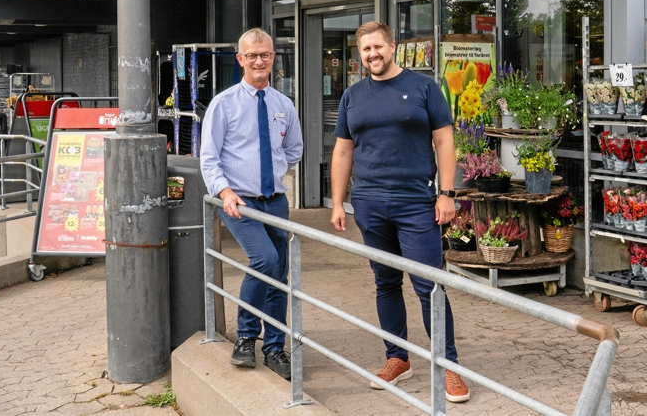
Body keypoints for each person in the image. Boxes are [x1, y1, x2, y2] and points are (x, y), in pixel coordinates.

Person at [330, 21, 470, 403]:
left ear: (392, 47)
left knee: (430, 285)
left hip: (415, 204)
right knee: (386, 282)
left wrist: (447, 194)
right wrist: (338, 201)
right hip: (370, 204)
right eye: (365, 50)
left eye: (378, 47)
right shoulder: (353, 96)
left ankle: (449, 365)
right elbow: (343, 151)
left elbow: (444, 141)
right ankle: (397, 358)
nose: (372, 54)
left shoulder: (423, 87)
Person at [200, 28, 304, 381]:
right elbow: (208, 157)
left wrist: (274, 173)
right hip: (238, 203)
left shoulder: (283, 105)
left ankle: (274, 347)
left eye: (265, 55)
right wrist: (225, 192)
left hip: (275, 201)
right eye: (252, 55)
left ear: (273, 59)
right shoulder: (224, 104)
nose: (259, 61)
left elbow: (294, 149)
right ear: (240, 59)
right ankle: (246, 335)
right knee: (265, 259)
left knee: (279, 273)